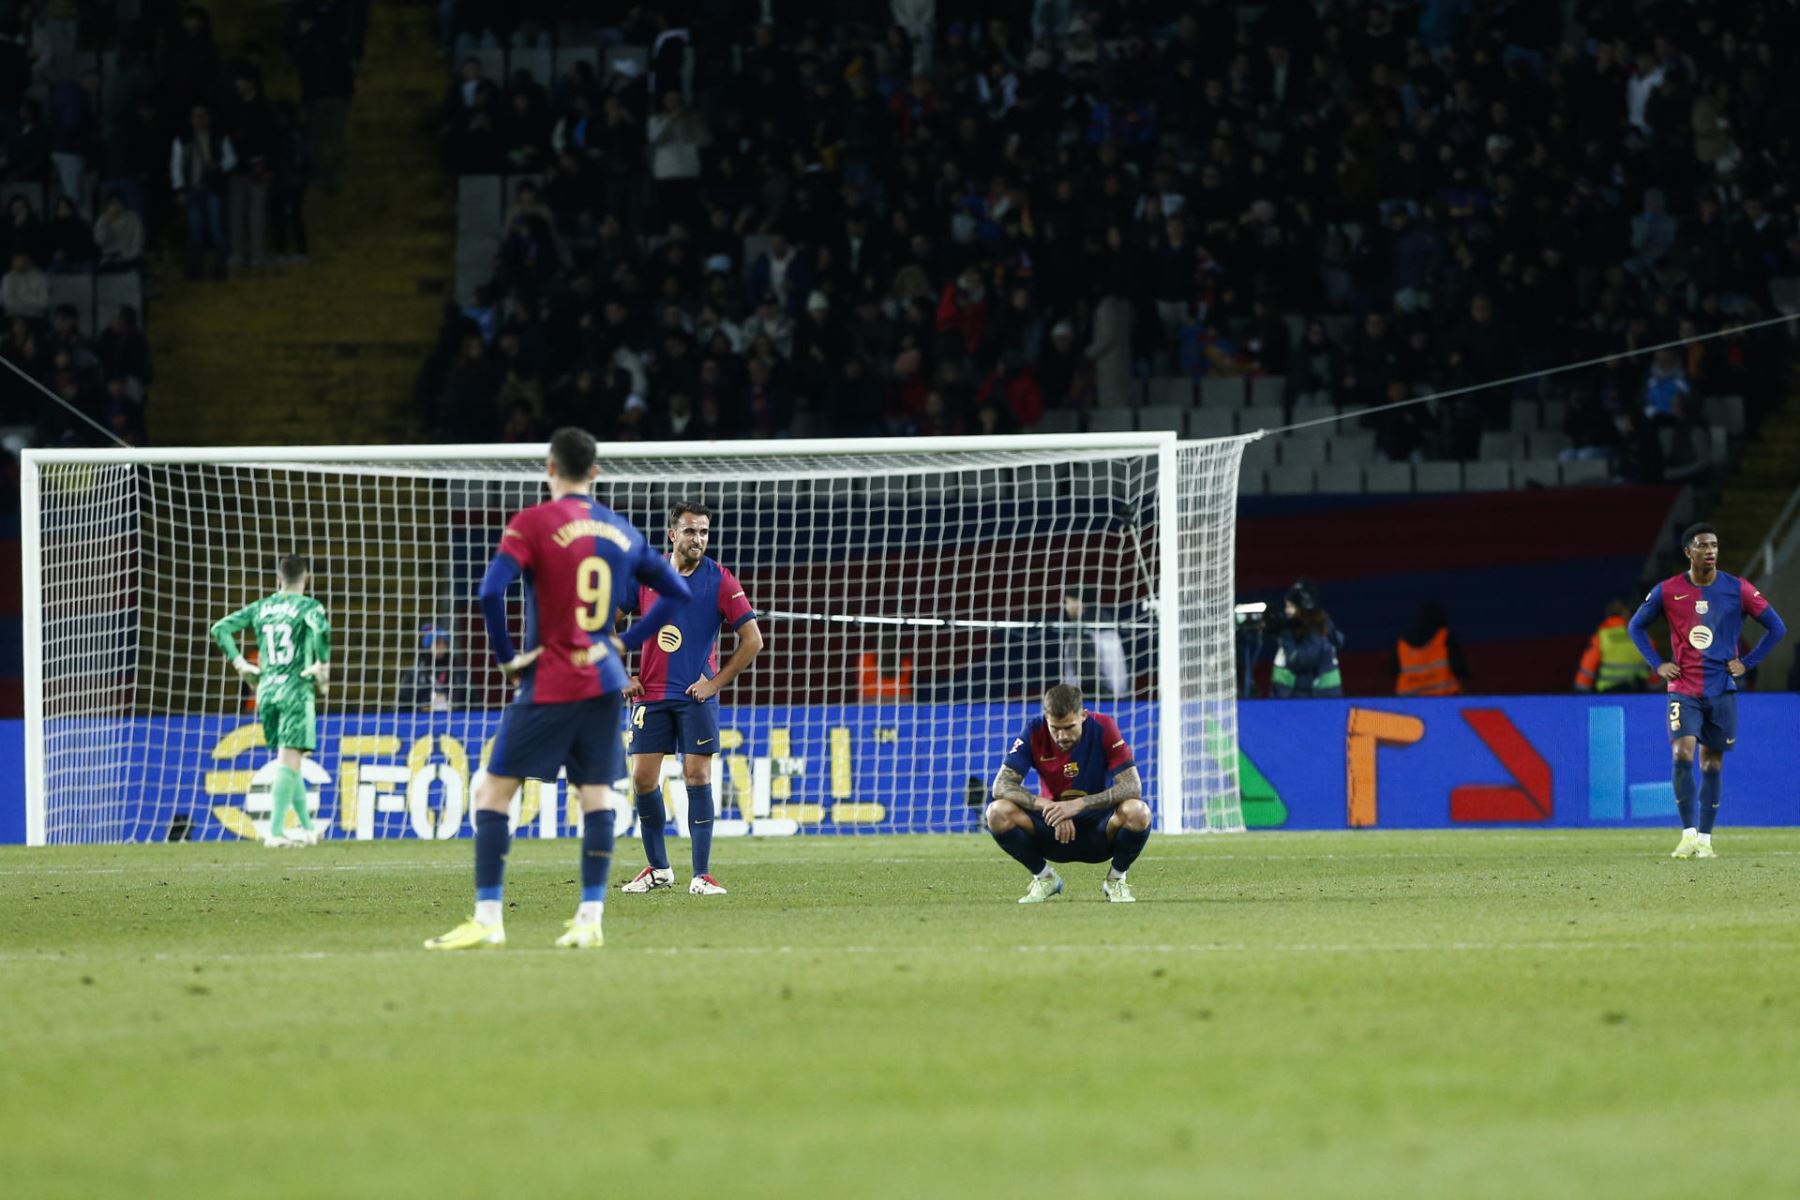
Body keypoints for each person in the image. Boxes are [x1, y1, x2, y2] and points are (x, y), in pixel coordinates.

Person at [425, 428, 693, 951]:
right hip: (603, 678)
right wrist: (624, 640)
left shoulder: (532, 523)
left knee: (492, 792)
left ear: (550, 468)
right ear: (595, 473)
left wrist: (506, 659)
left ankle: (487, 919)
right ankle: (590, 917)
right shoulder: (620, 530)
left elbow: (489, 591)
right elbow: (676, 589)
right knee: (594, 795)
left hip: (549, 676)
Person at [618, 500, 764, 896]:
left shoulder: (720, 580)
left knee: (697, 776)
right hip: (649, 696)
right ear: (672, 534)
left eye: (703, 531)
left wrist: (714, 684)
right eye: (690, 530)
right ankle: (658, 868)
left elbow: (753, 641)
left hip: (694, 697)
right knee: (643, 779)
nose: (698, 538)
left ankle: (702, 874)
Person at [1628, 524, 1786, 860]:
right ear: (1689, 552)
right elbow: (1635, 626)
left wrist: (1749, 662)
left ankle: (1705, 840)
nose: (1711, 551)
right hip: (1683, 688)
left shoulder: (1737, 588)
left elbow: (1777, 627)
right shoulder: (1668, 590)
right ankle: (1686, 836)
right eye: (1703, 546)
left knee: (1711, 764)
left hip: (1721, 689)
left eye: (1714, 545)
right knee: (1681, 754)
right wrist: (1657, 664)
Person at [985, 684, 1152, 904]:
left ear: (1083, 716)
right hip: (1051, 830)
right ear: (1046, 718)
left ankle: (1116, 880)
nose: (1062, 736)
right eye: (1055, 728)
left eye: (1069, 727)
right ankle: (1044, 878)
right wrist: (1048, 806)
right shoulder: (1034, 730)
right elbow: (1002, 785)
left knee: (1138, 811)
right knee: (996, 812)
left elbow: (1132, 786)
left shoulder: (1103, 726)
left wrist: (1078, 805)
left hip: (1099, 830)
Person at [210, 554, 331, 848]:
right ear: (307, 578)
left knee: (292, 760)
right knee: (289, 760)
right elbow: (321, 630)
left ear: (278, 578)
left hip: (265, 689)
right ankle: (275, 833)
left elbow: (219, 629)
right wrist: (322, 663)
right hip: (295, 688)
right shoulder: (309, 607)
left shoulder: (262, 607)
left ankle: (307, 827)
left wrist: (240, 663)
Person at [1271, 582, 1343, 698]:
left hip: (1314, 701)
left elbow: (1300, 660)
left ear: (1302, 608)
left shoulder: (1314, 632)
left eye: (1290, 606)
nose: (1286, 611)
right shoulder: (1305, 631)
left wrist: (1286, 637)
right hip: (1314, 700)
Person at [1573, 600, 1649, 693]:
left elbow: (1588, 667)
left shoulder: (1602, 636)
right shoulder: (1641, 635)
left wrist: (1580, 692)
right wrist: (1656, 691)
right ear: (1626, 613)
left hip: (1609, 695)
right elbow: (1654, 667)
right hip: (1638, 693)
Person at [1393, 602, 1468, 696]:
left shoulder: (1403, 645)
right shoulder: (1444, 637)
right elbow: (1459, 667)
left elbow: (1393, 672)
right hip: (1444, 700)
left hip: (1409, 703)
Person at [410, 623, 465, 712]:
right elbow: (403, 702)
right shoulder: (417, 672)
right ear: (428, 646)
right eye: (437, 643)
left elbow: (471, 698)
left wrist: (455, 707)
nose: (441, 647)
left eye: (444, 643)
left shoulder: (456, 670)